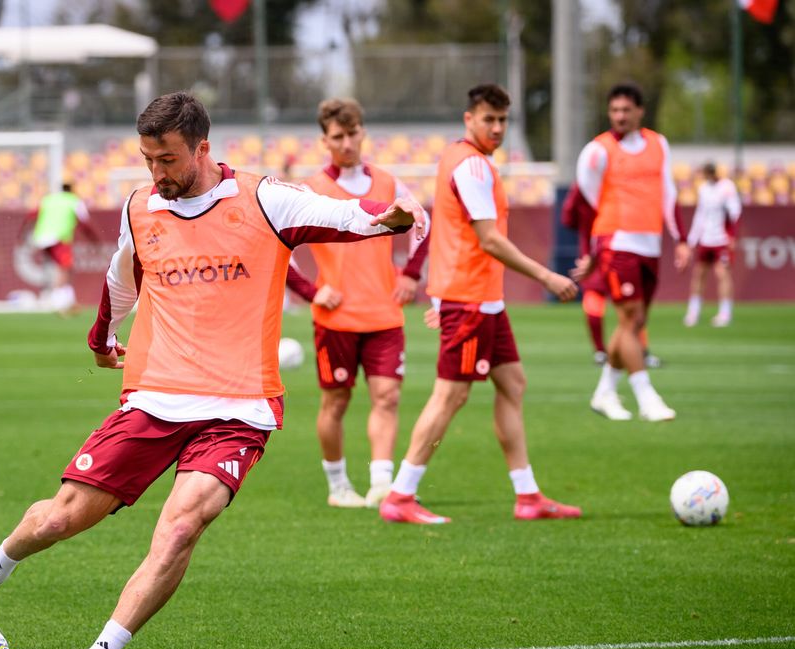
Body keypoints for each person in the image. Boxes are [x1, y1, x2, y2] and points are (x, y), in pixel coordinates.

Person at [0, 91, 425, 649]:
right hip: (156, 397)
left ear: (202, 149)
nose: (156, 174)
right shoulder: (141, 206)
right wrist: (102, 334)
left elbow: (353, 215)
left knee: (181, 526)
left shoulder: (266, 199)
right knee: (61, 517)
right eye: (147, 160)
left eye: (167, 160)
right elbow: (122, 270)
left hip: (239, 409)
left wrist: (396, 214)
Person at [380, 84, 581, 526]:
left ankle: (528, 496)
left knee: (513, 383)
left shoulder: (464, 158)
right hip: (469, 300)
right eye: (488, 119)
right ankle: (400, 495)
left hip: (482, 300)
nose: (497, 128)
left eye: (503, 120)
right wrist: (547, 276)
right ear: (468, 119)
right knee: (451, 395)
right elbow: (488, 239)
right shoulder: (470, 166)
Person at [283, 97, 430, 509]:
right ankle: (338, 486)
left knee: (388, 397)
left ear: (363, 132)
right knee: (336, 402)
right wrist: (313, 292)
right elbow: (280, 249)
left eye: (352, 133)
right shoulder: (310, 189)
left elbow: (423, 222)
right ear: (323, 140)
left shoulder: (387, 182)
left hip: (384, 313)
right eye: (337, 136)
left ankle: (381, 483)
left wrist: (411, 274)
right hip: (336, 317)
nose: (346, 143)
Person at [572, 82, 689, 422]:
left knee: (636, 322)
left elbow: (668, 192)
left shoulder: (658, 144)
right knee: (629, 318)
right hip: (617, 242)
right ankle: (645, 395)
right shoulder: (597, 150)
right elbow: (587, 199)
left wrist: (679, 237)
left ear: (640, 111)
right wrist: (596, 244)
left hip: (650, 244)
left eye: (626, 110)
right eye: (614, 110)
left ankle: (605, 391)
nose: (620, 116)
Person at [561, 182, 662, 368]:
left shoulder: (583, 184)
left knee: (612, 304)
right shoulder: (619, 182)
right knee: (631, 308)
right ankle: (640, 351)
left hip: (602, 249)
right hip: (619, 249)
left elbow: (568, 217)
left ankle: (602, 352)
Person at [20, 182, 102, 312]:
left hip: (41, 237)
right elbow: (85, 223)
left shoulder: (48, 199)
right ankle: (60, 300)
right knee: (64, 267)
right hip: (58, 237)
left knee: (55, 267)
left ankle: (56, 296)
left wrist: (22, 234)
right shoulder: (74, 201)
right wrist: (94, 240)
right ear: (72, 190)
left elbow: (30, 216)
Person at [684, 162, 741, 328]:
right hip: (705, 239)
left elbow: (735, 213)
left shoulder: (727, 187)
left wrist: (732, 236)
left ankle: (725, 312)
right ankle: (693, 311)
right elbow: (700, 215)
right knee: (699, 273)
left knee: (722, 273)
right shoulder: (703, 189)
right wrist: (692, 241)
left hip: (721, 239)